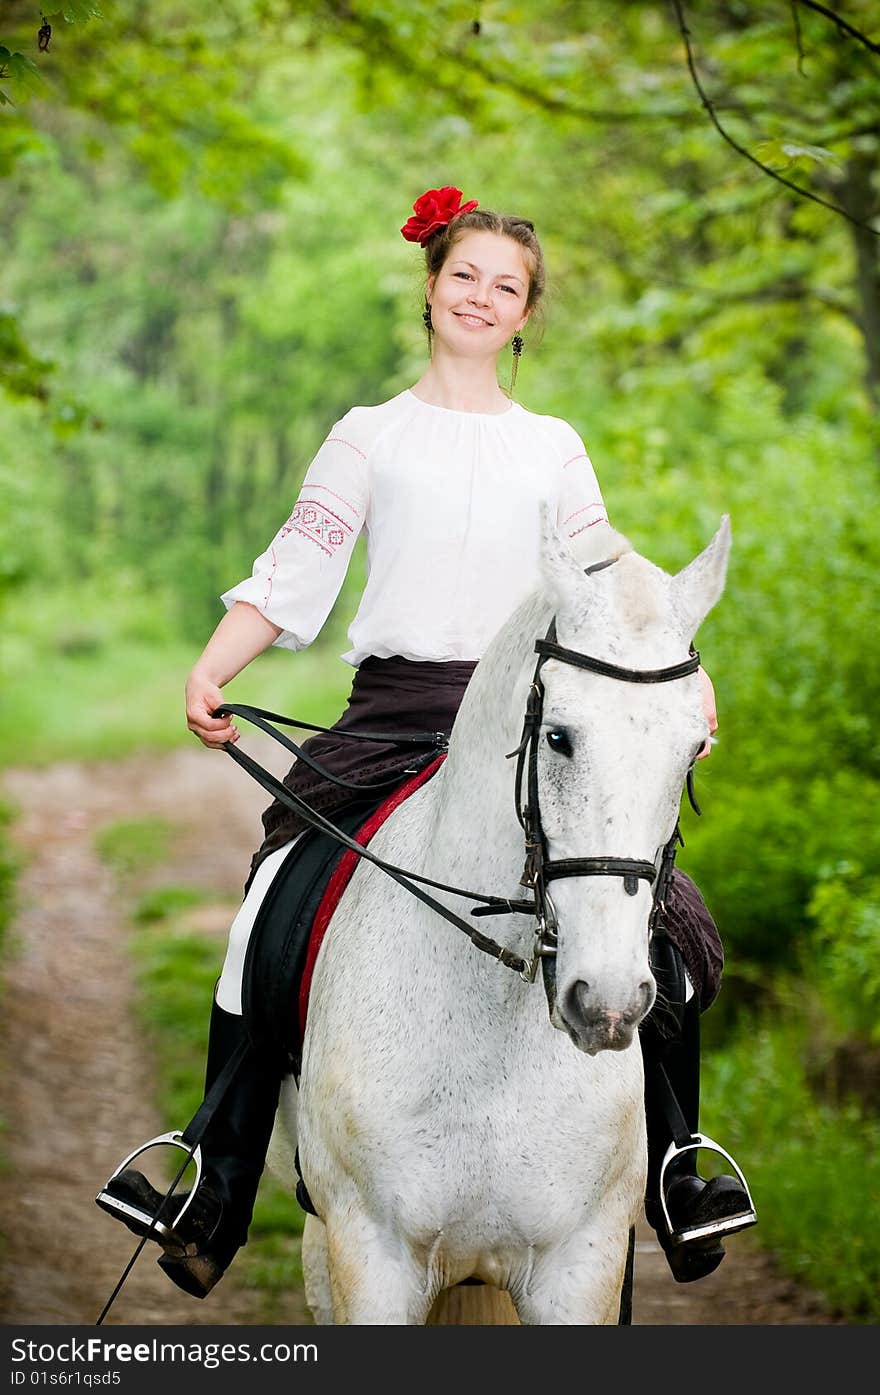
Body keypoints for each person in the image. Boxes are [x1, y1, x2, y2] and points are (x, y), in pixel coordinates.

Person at [96, 186, 755, 1300]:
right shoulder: (370, 436)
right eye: (466, 277)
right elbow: (294, 569)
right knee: (273, 900)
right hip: (398, 712)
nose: (482, 297)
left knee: (669, 925)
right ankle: (214, 1167)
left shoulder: (553, 447)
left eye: (507, 286)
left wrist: (684, 682)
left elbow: (610, 576)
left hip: (534, 720)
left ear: (525, 314)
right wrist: (215, 666)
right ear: (432, 288)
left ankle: (680, 1167)